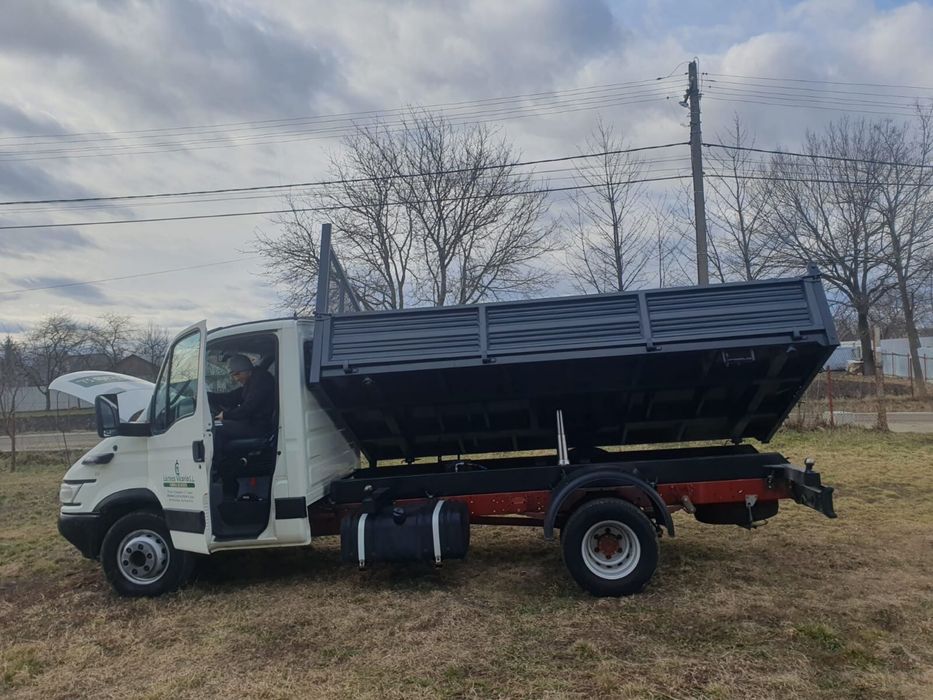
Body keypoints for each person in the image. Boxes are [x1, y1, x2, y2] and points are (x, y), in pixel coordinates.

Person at [210, 354, 277, 452]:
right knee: (217, 425)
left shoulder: (261, 381)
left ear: (245, 369)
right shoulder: (252, 380)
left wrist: (226, 415)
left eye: (236, 374)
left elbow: (248, 409)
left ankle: (217, 464)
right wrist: (208, 396)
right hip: (252, 423)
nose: (236, 379)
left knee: (216, 427)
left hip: (259, 427)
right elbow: (231, 397)